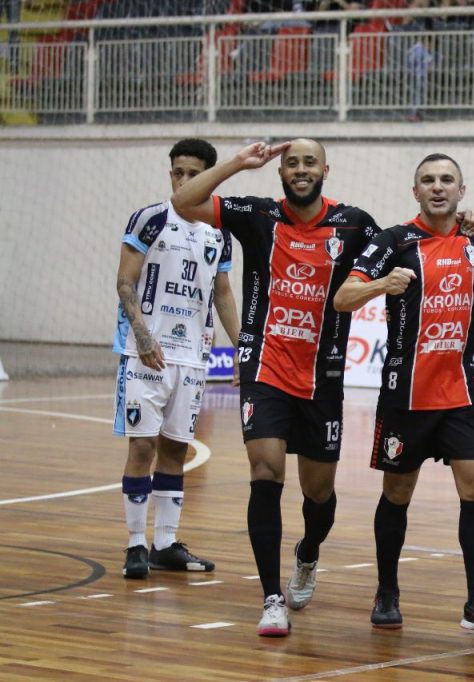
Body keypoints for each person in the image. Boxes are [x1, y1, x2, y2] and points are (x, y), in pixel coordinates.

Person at [171, 138, 381, 637]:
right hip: (264, 367)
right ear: (281, 171)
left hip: (322, 376)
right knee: (265, 470)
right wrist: (237, 164)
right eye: (292, 163)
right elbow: (185, 201)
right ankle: (270, 598)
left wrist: (462, 227)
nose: (300, 170)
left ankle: (307, 553)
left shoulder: (354, 223)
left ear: (325, 168)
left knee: (319, 491)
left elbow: (403, 247)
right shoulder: (257, 214)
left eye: (309, 162)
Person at [336, 153, 474, 632]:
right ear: (416, 191)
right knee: (397, 492)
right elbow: (343, 296)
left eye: (447, 180)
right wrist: (383, 284)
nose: (438, 187)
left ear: (461, 192)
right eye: (428, 180)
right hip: (406, 396)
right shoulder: (393, 242)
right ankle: (386, 590)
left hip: (464, 395)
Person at [114, 138, 240, 581]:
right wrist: (144, 337)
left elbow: (222, 292)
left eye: (192, 174)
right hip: (145, 353)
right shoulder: (150, 218)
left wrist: (239, 349)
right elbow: (125, 282)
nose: (183, 180)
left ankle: (165, 544)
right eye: (177, 173)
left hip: (194, 357)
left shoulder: (219, 232)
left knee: (175, 449)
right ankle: (134, 545)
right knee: (142, 445)